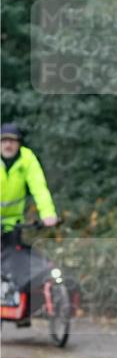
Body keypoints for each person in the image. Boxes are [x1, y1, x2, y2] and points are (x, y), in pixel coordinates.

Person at [1, 123, 58, 325]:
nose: (8, 145)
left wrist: (48, 214)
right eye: (4, 141)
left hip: (12, 223)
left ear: (19, 144)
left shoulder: (27, 159)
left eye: (12, 141)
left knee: (18, 260)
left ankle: (19, 304)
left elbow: (38, 187)